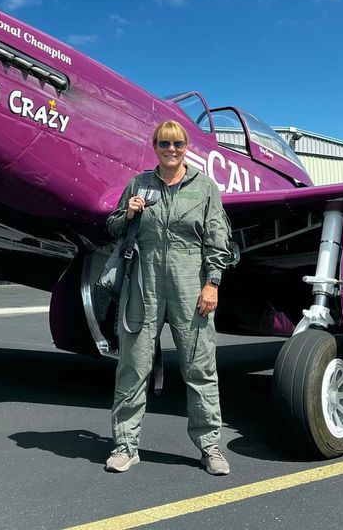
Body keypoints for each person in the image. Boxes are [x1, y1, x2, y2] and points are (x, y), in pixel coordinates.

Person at [104, 120, 232, 476]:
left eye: (177, 143)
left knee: (199, 367)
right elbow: (112, 227)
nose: (171, 149)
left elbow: (218, 239)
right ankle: (126, 446)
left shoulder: (204, 187)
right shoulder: (138, 183)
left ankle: (209, 446)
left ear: (187, 145)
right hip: (142, 283)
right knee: (133, 366)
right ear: (155, 146)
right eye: (164, 143)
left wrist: (212, 282)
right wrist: (127, 213)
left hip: (189, 282)